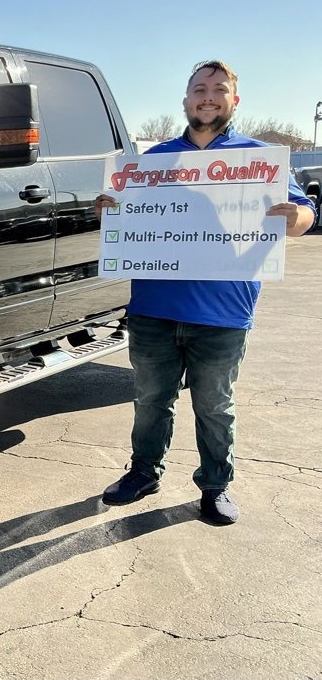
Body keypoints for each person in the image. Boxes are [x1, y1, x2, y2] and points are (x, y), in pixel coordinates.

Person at [94, 60, 316, 525]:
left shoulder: (259, 160)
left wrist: (296, 217)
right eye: (199, 89)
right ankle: (144, 472)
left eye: (219, 89)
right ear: (186, 99)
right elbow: (128, 218)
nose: (208, 96)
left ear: (234, 100)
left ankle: (215, 485)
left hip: (223, 313)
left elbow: (303, 214)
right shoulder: (151, 162)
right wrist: (111, 211)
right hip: (153, 309)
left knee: (214, 406)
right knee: (150, 401)